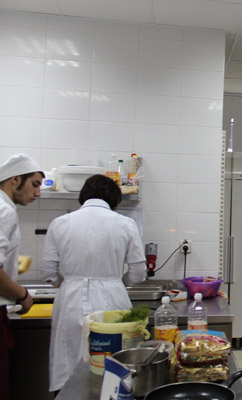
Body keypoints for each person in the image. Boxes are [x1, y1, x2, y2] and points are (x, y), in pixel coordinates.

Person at [40, 174, 147, 393]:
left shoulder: (60, 223)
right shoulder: (126, 224)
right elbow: (138, 273)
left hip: (70, 300)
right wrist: (118, 282)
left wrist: (65, 283)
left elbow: (48, 272)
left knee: (69, 363)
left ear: (83, 196)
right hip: (112, 300)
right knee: (113, 366)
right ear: (115, 199)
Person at [0, 153, 44, 400]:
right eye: (34, 185)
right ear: (15, 180)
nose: (38, 193)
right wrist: (22, 294)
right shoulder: (5, 211)